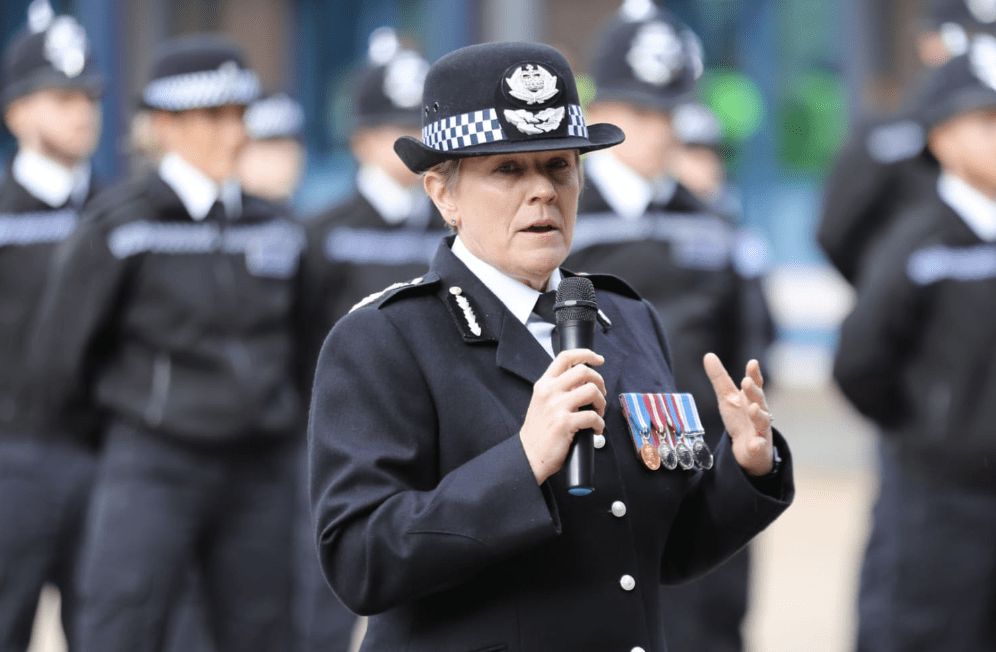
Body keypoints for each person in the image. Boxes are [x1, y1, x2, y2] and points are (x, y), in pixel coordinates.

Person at [309, 40, 793, 652]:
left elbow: (662, 546)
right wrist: (523, 463)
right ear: (442, 193)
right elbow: (360, 561)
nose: (541, 191)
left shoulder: (628, 318)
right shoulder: (384, 338)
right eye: (507, 170)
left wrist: (745, 469)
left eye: (558, 165)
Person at [28, 34, 306, 651]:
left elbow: (304, 345)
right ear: (166, 126)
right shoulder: (121, 226)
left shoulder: (277, 229)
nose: (232, 133)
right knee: (121, 626)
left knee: (264, 632)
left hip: (258, 468)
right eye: (213, 117)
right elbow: (59, 359)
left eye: (239, 115)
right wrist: (132, 424)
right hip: (153, 465)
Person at [566, 6, 775, 650]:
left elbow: (745, 343)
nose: (659, 132)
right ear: (601, 107)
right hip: (587, 469)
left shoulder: (710, 220)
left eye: (669, 114)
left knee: (704, 625)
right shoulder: (558, 215)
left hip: (692, 461)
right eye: (641, 113)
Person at [834, 38, 996, 652]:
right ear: (943, 139)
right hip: (939, 500)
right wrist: (929, 424)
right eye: (986, 122)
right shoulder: (916, 241)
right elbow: (859, 363)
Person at [0, 10, 103, 651]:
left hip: (107, 458)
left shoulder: (117, 213)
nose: (83, 113)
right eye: (63, 98)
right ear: (17, 113)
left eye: (89, 98)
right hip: (12, 459)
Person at [817, 0, 996, 285]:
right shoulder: (884, 142)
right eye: (969, 39)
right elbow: (837, 233)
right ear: (930, 43)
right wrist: (893, 284)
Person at [302, 27, 444, 360]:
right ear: (361, 140)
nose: (418, 141)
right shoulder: (323, 232)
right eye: (400, 129)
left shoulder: (457, 224)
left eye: (424, 128)